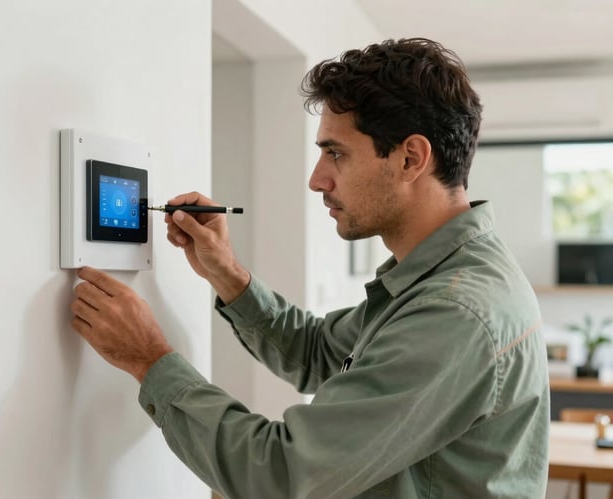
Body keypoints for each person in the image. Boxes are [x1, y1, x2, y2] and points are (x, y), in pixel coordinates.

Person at [70, 38, 549, 498]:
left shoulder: (453, 312)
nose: (317, 179)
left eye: (336, 153)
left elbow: (283, 475)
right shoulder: (440, 277)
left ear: (410, 158)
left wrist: (149, 359)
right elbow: (318, 352)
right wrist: (228, 275)